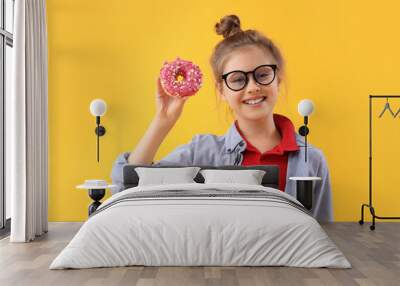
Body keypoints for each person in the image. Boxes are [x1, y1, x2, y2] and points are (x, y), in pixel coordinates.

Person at [110, 15, 333, 222]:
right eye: (237, 80)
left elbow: (324, 233)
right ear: (221, 91)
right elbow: (128, 189)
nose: (253, 87)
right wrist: (163, 120)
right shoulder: (202, 152)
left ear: (278, 80)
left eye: (263, 74)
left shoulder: (310, 160)